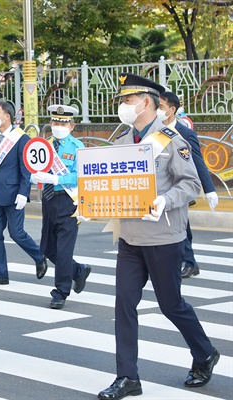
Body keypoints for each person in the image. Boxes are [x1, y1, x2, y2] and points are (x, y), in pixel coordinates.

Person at [97, 73, 219, 400]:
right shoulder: (121, 142)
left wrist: (165, 199)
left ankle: (204, 352)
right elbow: (109, 184)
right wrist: (87, 203)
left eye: (127, 100)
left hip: (164, 237)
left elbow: (190, 184)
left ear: (146, 102)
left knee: (171, 304)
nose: (123, 107)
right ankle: (127, 378)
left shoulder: (172, 139)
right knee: (124, 304)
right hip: (130, 238)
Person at [30, 105, 91, 309]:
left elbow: (81, 175)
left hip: (69, 200)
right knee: (47, 247)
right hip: (49, 200)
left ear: (72, 125)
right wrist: (34, 176)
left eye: (63, 122)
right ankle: (77, 271)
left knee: (64, 249)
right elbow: (34, 166)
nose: (58, 126)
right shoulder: (44, 145)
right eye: (55, 122)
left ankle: (61, 292)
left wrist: (56, 177)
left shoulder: (77, 146)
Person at [0, 101, 47, 287]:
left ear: (7, 116)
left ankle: (38, 256)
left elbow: (25, 168)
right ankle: (1, 273)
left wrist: (23, 192)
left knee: (16, 233)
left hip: (13, 193)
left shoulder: (21, 138)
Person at [158, 91, 218, 279]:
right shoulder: (154, 132)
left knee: (182, 226)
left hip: (179, 187)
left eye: (161, 107)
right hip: (159, 189)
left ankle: (190, 263)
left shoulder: (185, 133)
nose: (158, 110)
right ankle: (180, 262)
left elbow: (197, 161)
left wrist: (209, 189)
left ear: (172, 109)